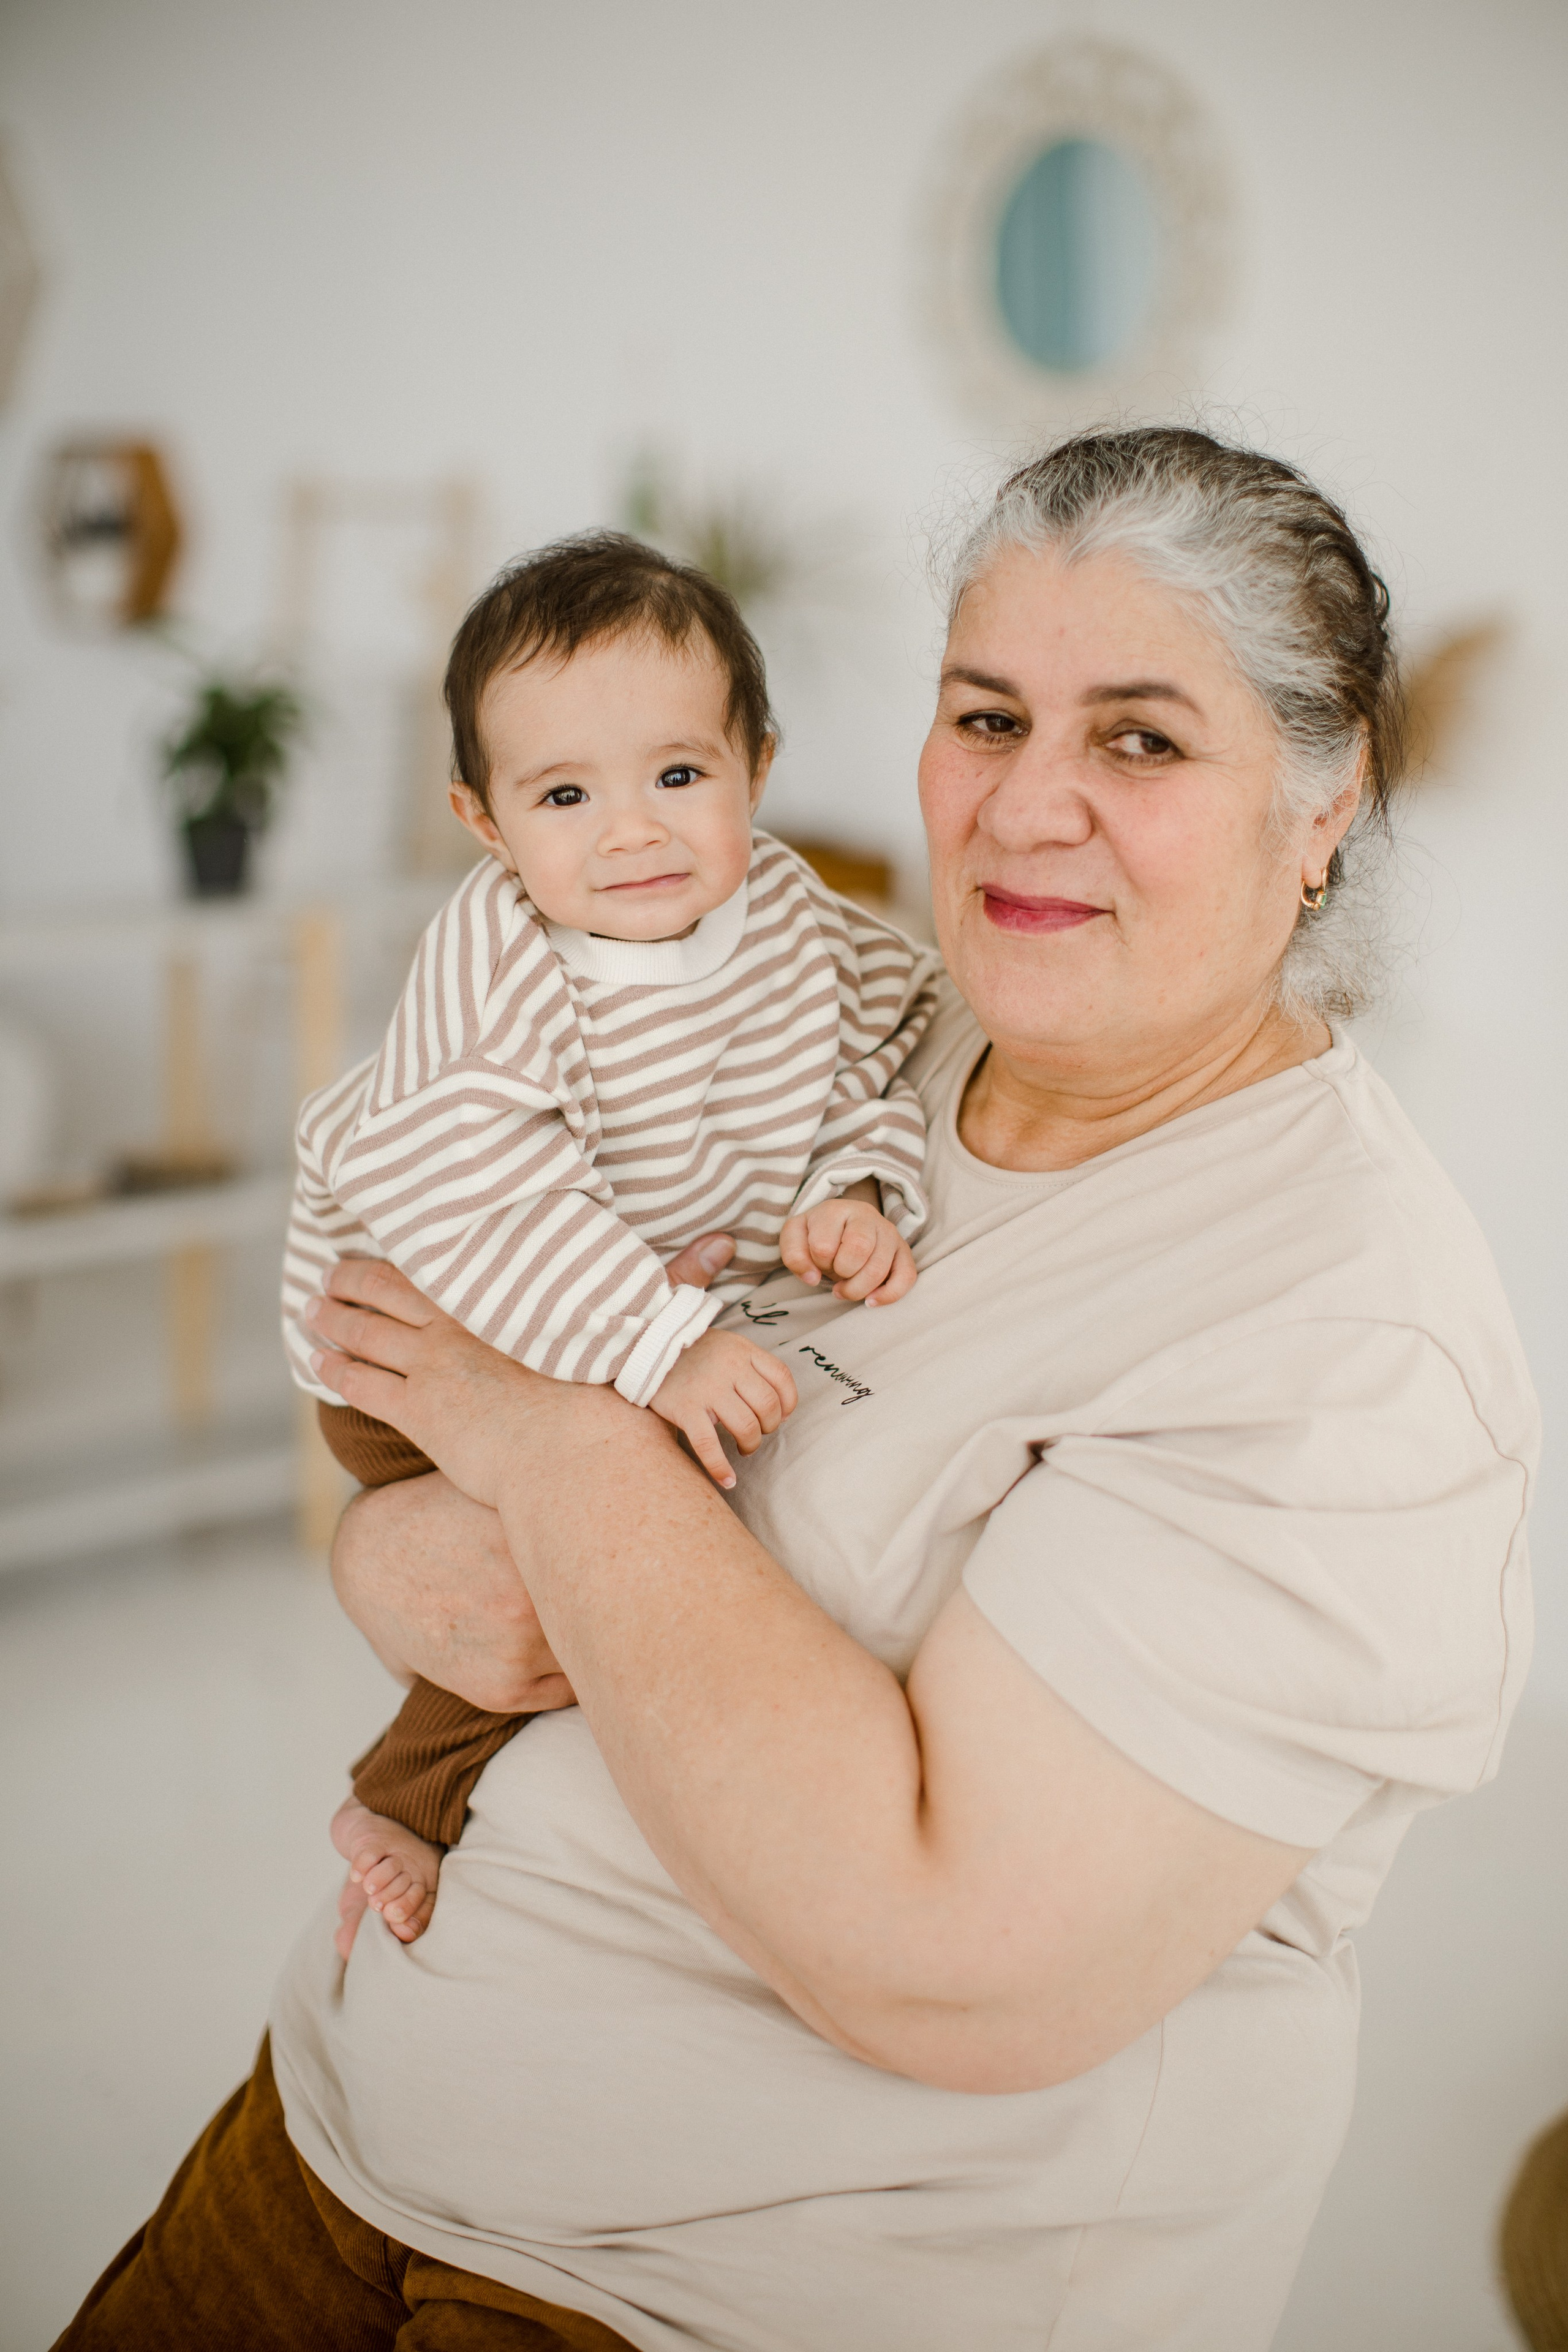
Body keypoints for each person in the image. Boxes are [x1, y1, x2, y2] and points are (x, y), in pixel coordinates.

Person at [56, 428, 1537, 2352]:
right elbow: (430, 1466)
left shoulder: (1343, 1338)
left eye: (1145, 741)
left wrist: (555, 1449)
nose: (1028, 808)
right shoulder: (864, 1028)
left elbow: (949, 1960)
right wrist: (404, 1547)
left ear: (1323, 802)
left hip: (706, 2295)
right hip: (332, 2136)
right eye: (987, 715)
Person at [281, 532, 937, 1942]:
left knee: (609, 1577)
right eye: (564, 793)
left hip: (619, 1313)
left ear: (756, 764)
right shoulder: (501, 954)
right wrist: (661, 1344)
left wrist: (857, 1187)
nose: (629, 831)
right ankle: (402, 1805)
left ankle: (515, 1816)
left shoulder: (791, 920)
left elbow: (895, 1040)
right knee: (546, 1569)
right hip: (430, 1320)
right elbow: (478, 1187)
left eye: (677, 776)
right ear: (484, 818)